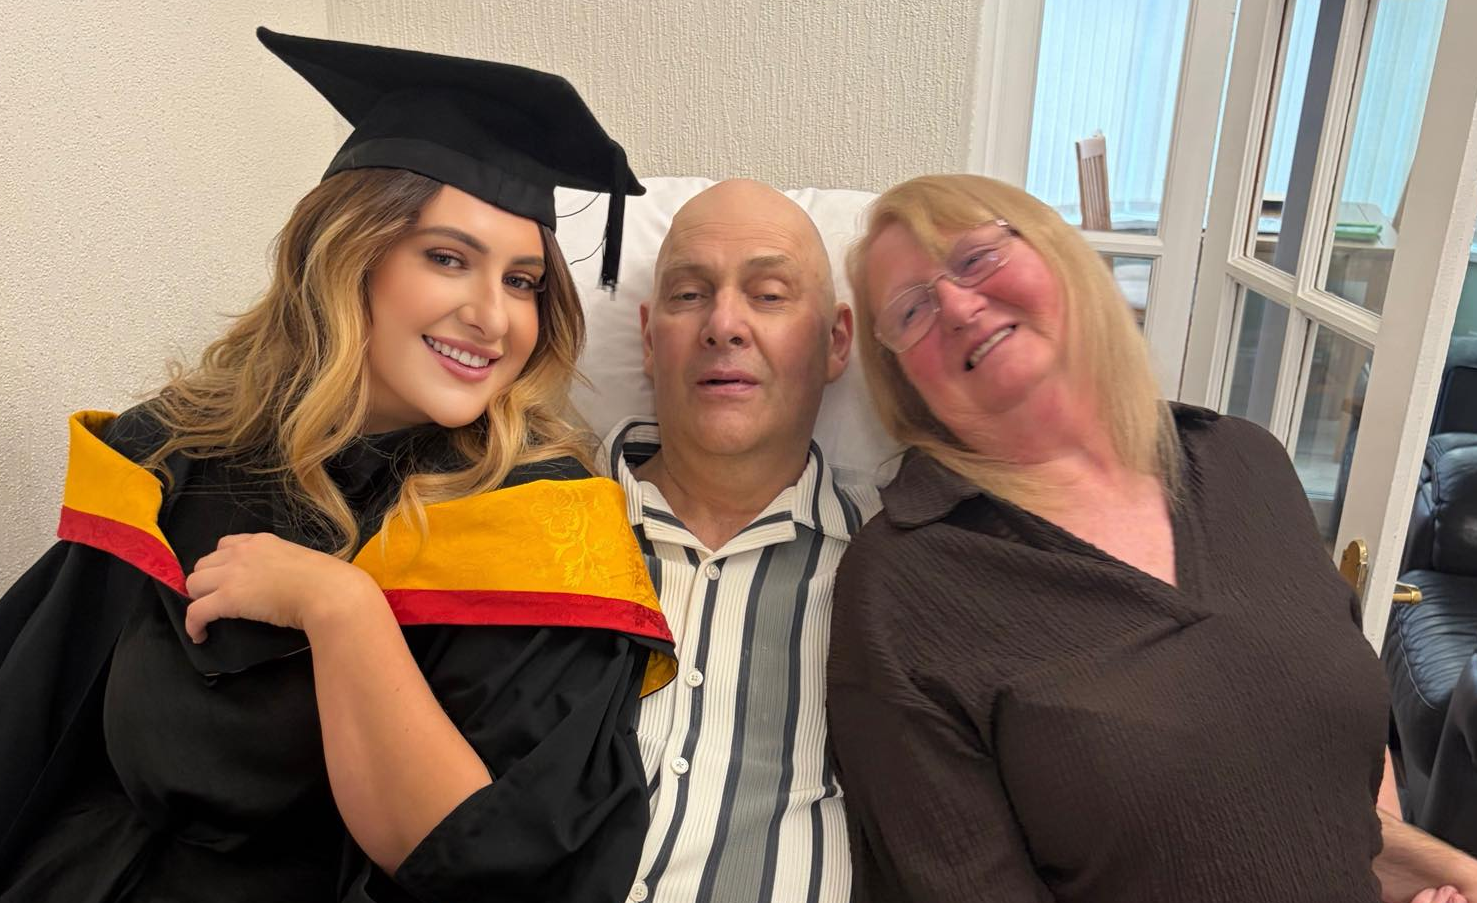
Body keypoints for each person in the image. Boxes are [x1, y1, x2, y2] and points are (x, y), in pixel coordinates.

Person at [0, 27, 674, 903]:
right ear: (348, 257)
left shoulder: (544, 530)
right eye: (447, 258)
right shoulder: (173, 458)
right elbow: (32, 723)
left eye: (521, 280)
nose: (493, 316)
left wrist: (340, 608)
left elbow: (482, 865)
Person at [828, 172, 1477, 903]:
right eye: (910, 309)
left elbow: (1338, 794)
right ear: (900, 376)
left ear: (1059, 257)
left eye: (975, 258)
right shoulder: (901, 587)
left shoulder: (1243, 459)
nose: (953, 303)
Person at [604, 179, 878, 903]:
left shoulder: (891, 576)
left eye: (768, 294)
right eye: (689, 294)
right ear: (647, 339)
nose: (723, 324)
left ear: (836, 341)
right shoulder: (531, 527)